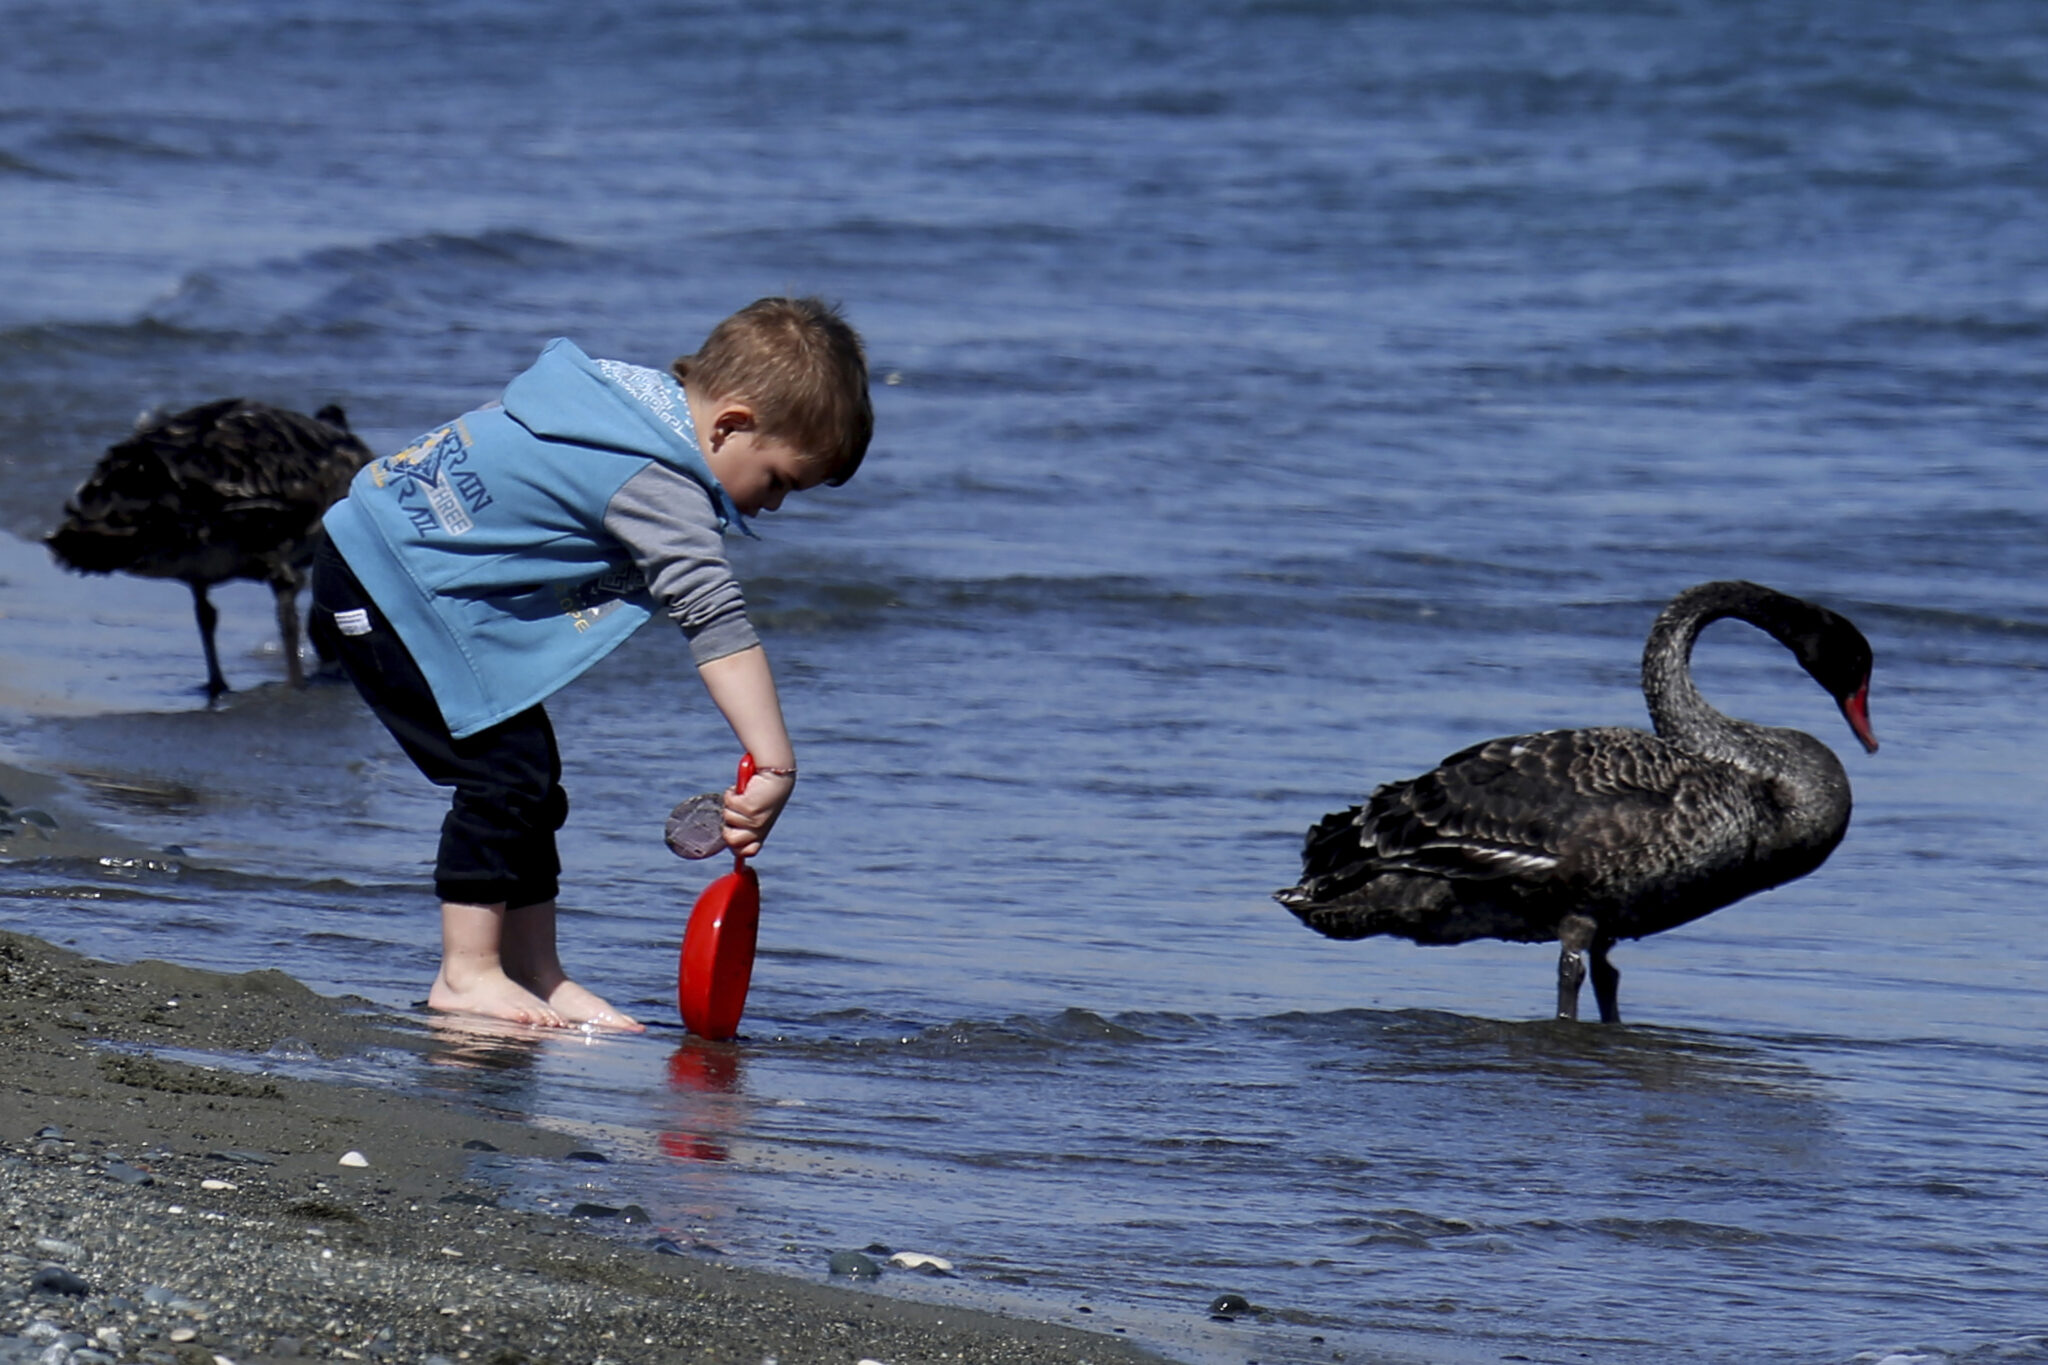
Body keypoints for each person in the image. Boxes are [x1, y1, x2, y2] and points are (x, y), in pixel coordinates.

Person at [308, 297, 872, 1033]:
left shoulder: (613, 401)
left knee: (530, 773)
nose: (771, 508)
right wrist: (775, 761)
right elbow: (714, 619)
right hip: (388, 589)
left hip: (392, 567)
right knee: (501, 775)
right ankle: (466, 973)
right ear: (731, 425)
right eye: (778, 481)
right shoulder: (657, 479)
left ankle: (536, 973)